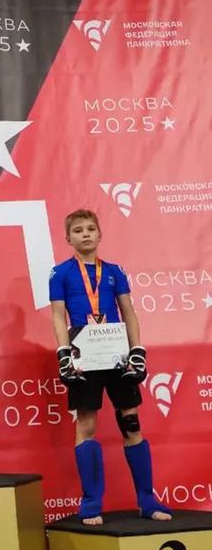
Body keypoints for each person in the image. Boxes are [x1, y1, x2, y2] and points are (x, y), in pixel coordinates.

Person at [49, 209, 172, 525]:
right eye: (78, 230)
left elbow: (128, 312)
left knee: (131, 423)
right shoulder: (60, 273)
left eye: (91, 229)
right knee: (86, 425)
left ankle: (146, 500)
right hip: (83, 359)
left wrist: (137, 350)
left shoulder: (115, 271)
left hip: (117, 356)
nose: (85, 234)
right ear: (68, 238)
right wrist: (64, 353)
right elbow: (58, 315)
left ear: (100, 235)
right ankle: (91, 502)